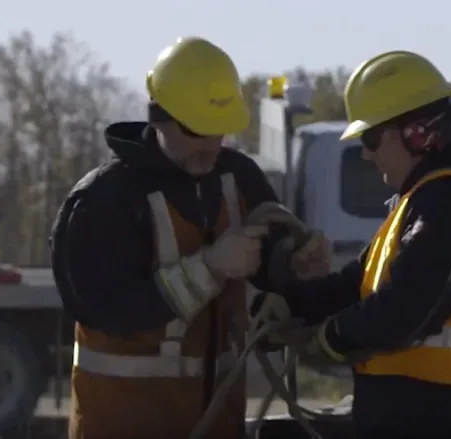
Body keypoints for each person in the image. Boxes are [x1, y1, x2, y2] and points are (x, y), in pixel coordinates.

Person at [50, 36, 330, 439]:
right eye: (199, 130)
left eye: (220, 131)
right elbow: (110, 310)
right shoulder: (104, 201)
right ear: (159, 117)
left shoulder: (239, 178)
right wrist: (212, 267)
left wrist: (294, 262)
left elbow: (272, 258)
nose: (212, 145)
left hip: (218, 425)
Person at [252, 50, 451, 438]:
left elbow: (408, 307)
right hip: (420, 415)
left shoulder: (450, 205)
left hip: (447, 418)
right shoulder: (423, 203)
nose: (366, 152)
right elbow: (354, 285)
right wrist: (291, 304)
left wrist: (329, 338)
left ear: (418, 133)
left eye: (372, 137)